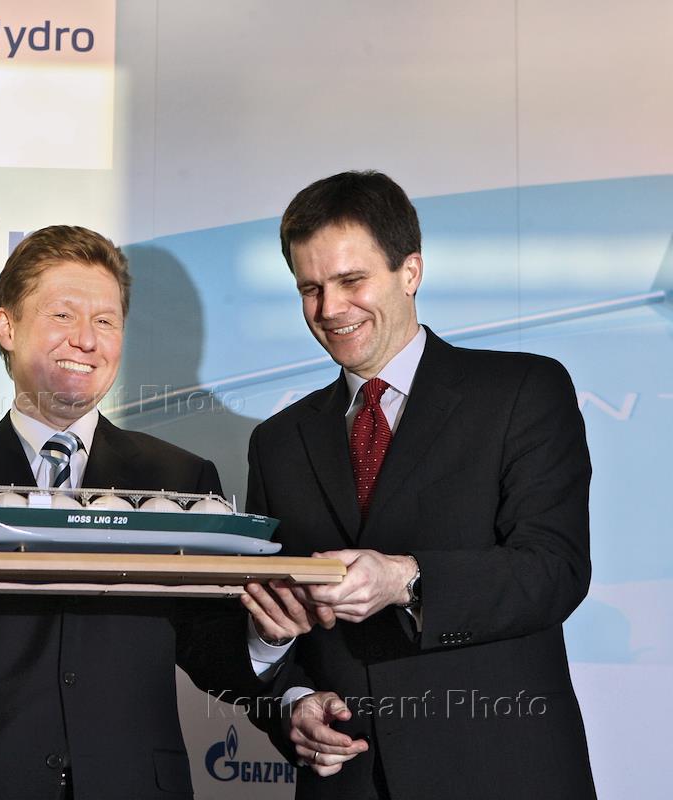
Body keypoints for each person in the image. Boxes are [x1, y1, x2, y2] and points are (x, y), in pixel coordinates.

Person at [0, 225, 308, 799]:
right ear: (7, 327)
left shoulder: (181, 481)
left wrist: (265, 639)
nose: (85, 340)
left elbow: (208, 651)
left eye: (105, 321)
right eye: (62, 315)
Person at [244, 170, 596, 798]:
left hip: (501, 775)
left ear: (410, 272)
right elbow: (272, 620)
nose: (330, 309)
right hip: (348, 779)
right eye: (310, 289)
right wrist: (292, 702)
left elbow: (553, 570)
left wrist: (407, 579)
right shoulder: (277, 442)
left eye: (352, 281)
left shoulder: (523, 391)